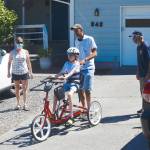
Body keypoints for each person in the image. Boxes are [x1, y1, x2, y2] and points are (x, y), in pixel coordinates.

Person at [71, 24, 97, 110]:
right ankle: (84, 108)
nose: (75, 32)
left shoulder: (90, 39)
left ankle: (89, 110)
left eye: (76, 30)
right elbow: (77, 54)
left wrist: (85, 60)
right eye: (74, 31)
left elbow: (95, 53)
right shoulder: (76, 41)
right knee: (79, 90)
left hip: (89, 67)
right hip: (80, 68)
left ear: (81, 30)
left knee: (87, 90)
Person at [52, 47, 80, 125]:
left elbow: (72, 72)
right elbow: (61, 72)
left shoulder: (77, 63)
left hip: (75, 83)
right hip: (67, 83)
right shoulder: (66, 63)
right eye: (68, 55)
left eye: (71, 55)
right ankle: (53, 113)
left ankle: (71, 117)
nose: (69, 56)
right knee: (56, 94)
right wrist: (54, 76)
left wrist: (66, 76)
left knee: (69, 95)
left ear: (76, 56)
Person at [7, 37, 33, 111]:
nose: (20, 44)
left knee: (24, 88)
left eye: (21, 42)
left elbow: (28, 62)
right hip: (15, 73)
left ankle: (25, 104)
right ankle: (18, 104)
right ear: (15, 43)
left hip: (24, 72)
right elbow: (9, 62)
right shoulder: (12, 52)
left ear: (23, 43)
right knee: (17, 88)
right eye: (18, 42)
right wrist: (8, 72)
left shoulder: (26, 51)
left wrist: (31, 72)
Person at [129, 31, 150, 113]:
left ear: (139, 37)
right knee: (142, 91)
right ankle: (144, 107)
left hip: (146, 74)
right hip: (141, 74)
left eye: (134, 37)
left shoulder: (145, 46)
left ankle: (146, 109)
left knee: (146, 91)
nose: (133, 39)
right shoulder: (138, 47)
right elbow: (139, 61)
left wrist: (148, 74)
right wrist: (137, 72)